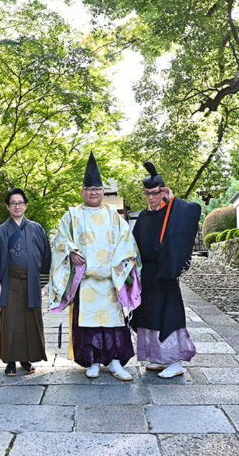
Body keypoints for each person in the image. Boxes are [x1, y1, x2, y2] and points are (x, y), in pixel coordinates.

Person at [49, 151, 141, 380]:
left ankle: (116, 362)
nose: (93, 192)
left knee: (115, 324)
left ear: (103, 191)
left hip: (110, 281)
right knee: (88, 325)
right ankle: (93, 362)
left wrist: (118, 266)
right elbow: (61, 240)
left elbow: (127, 241)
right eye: (89, 189)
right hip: (86, 282)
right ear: (82, 192)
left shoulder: (113, 215)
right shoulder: (72, 215)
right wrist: (70, 252)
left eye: (97, 189)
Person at [130, 161, 201, 378]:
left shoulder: (172, 211)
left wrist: (172, 201)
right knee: (149, 315)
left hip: (166, 272)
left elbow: (192, 211)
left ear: (162, 192)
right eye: (147, 193)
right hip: (147, 274)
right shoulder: (142, 216)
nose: (151, 197)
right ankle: (159, 359)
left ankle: (175, 362)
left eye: (155, 193)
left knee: (168, 315)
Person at [0, 188, 51, 376]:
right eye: (13, 203)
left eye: (20, 203)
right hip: (10, 281)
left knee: (31, 321)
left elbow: (46, 256)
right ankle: (10, 362)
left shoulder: (37, 229)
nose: (17, 206)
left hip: (31, 281)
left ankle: (26, 359)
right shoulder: (0, 231)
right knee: (10, 321)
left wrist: (43, 283)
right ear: (7, 206)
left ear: (26, 205)